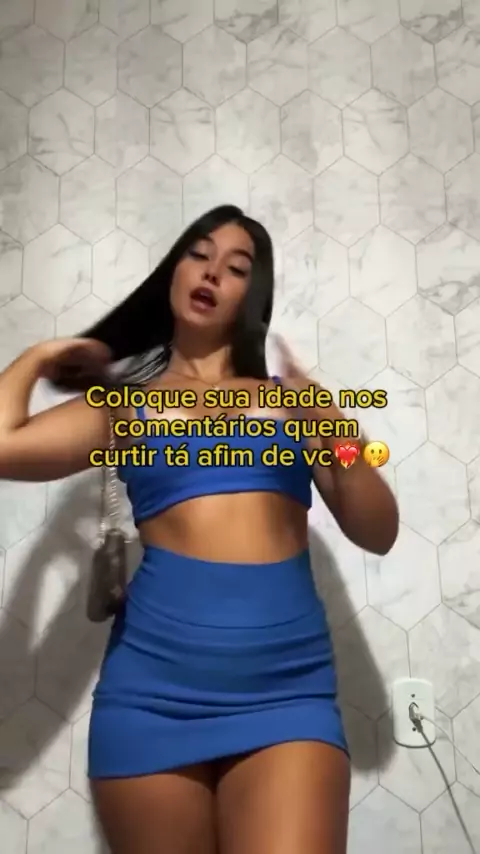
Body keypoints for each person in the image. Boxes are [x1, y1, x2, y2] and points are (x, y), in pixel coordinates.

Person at [0, 205, 398, 854]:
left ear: (252, 294)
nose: (212, 272)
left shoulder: (289, 402)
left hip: (287, 696)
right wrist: (40, 355)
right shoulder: (126, 408)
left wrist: (337, 430)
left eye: (236, 267)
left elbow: (378, 530)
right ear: (174, 272)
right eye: (199, 254)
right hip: (152, 698)